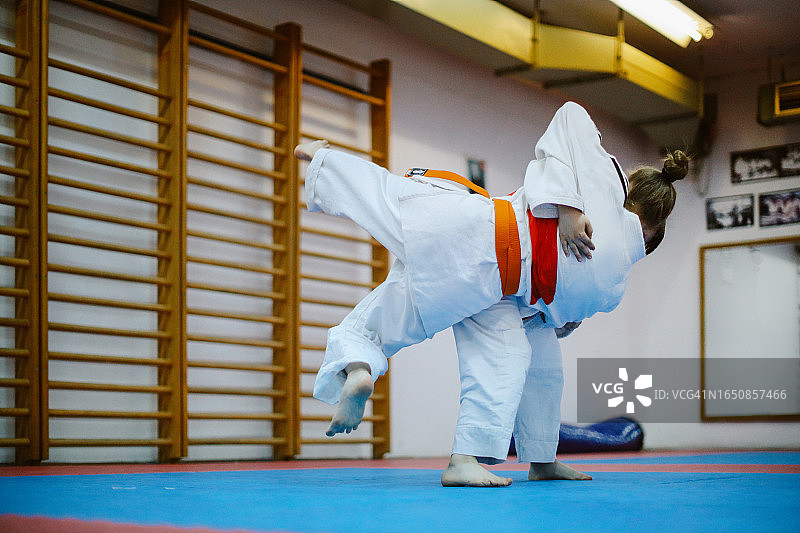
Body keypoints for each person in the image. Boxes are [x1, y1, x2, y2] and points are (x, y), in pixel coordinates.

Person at [295, 101, 687, 487]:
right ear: (651, 235)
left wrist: (568, 207)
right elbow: (561, 317)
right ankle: (503, 458)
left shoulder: (602, 185)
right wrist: (567, 212)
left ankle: (323, 164)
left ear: (631, 189)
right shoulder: (615, 283)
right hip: (495, 288)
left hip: (472, 241)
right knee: (524, 366)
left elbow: (570, 114)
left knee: (385, 196)